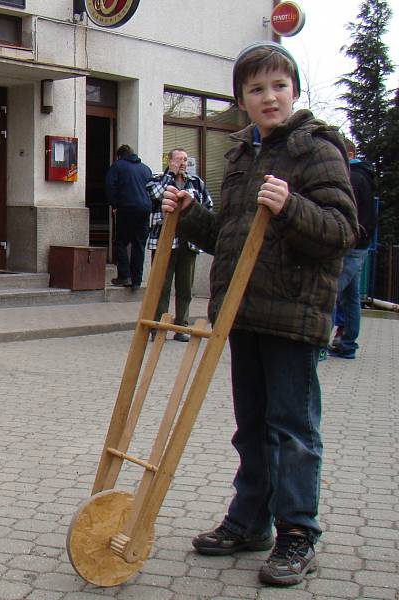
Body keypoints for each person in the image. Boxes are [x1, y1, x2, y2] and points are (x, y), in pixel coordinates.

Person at [161, 42, 357, 586]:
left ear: (294, 91)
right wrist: (190, 213)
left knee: (292, 430)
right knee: (251, 429)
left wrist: (291, 205)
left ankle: (298, 533)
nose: (268, 97)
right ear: (242, 99)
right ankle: (250, 522)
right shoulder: (241, 153)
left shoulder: (317, 150)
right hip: (242, 313)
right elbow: (232, 235)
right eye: (256, 89)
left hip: (293, 316)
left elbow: (342, 231)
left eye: (278, 86)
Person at [146, 149, 213, 341]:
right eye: (179, 160)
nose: (183, 163)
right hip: (163, 242)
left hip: (189, 243)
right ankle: (159, 327)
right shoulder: (158, 178)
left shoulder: (196, 182)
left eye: (185, 160)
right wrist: (171, 175)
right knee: (161, 286)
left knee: (185, 287)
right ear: (170, 160)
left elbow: (208, 205)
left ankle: (182, 326)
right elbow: (156, 195)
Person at [327, 138, 377, 359]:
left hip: (351, 244)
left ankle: (317, 346)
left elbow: (346, 212)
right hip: (360, 243)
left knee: (329, 293)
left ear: (347, 154)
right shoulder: (363, 176)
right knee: (350, 296)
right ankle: (347, 344)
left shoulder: (353, 177)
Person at [105, 145, 152, 288]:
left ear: (119, 156)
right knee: (139, 244)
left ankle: (124, 276)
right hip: (145, 209)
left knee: (120, 241)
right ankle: (137, 280)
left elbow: (110, 186)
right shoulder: (145, 168)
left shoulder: (117, 166)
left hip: (126, 208)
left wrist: (114, 205)